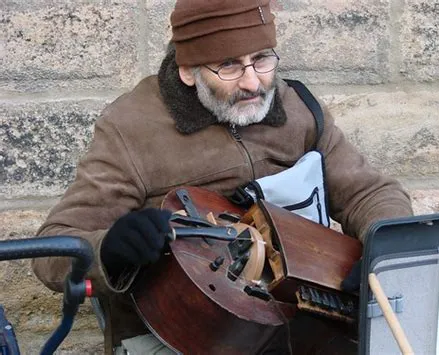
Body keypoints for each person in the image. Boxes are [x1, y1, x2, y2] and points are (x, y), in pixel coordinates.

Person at [32, 0, 413, 354]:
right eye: (229, 66)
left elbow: (370, 192)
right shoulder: (129, 129)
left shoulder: (298, 108)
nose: (252, 83)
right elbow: (52, 254)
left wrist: (386, 252)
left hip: (306, 318)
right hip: (183, 332)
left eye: (262, 59)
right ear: (187, 70)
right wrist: (110, 250)